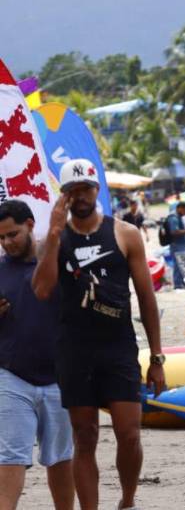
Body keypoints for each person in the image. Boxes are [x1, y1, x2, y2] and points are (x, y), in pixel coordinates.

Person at [32, 159, 166, 510]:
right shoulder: (54, 239)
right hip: (74, 350)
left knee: (129, 433)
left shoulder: (125, 233)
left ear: (96, 189)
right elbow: (42, 290)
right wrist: (55, 235)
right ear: (63, 196)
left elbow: (146, 298)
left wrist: (157, 357)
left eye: (85, 189)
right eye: (72, 191)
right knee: (85, 435)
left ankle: (127, 500)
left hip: (118, 346)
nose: (80, 197)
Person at [0, 201, 74, 510]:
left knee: (60, 459)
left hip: (61, 378)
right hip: (11, 378)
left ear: (30, 224)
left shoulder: (60, 262)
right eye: (1, 238)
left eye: (12, 234)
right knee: (10, 457)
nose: (7, 243)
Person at [166, 201, 185, 290]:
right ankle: (178, 284)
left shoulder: (177, 216)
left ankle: (181, 283)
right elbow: (174, 231)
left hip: (180, 244)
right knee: (178, 264)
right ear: (180, 208)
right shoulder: (173, 217)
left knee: (180, 264)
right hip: (176, 244)